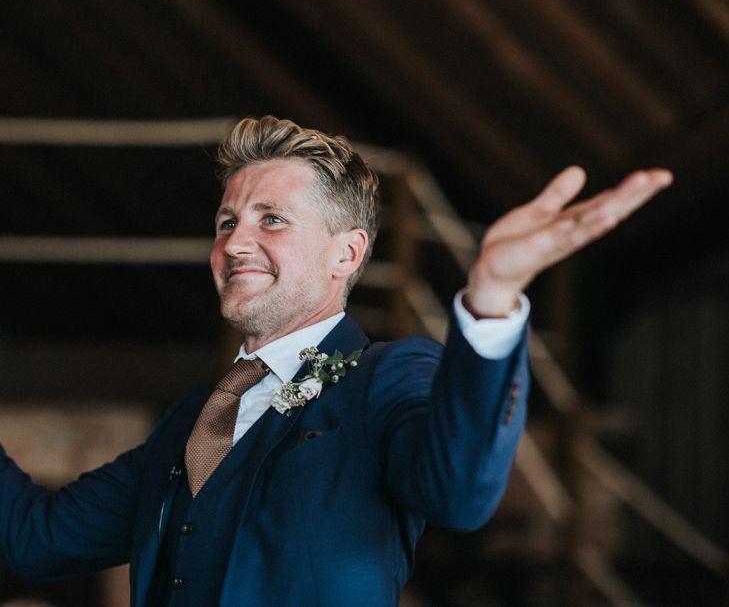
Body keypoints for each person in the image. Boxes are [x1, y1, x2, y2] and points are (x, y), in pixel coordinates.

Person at [0, 115, 672, 606]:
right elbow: (34, 539)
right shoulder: (187, 421)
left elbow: (460, 493)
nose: (235, 241)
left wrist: (490, 300)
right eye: (226, 221)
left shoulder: (382, 373)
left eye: (271, 219)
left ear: (346, 254)